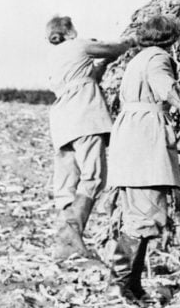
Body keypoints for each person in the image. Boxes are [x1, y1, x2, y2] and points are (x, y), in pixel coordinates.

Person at [106, 15, 180, 304]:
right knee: (144, 218)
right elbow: (164, 87)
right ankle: (121, 287)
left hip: (131, 133)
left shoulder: (137, 58)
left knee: (139, 216)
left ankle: (130, 286)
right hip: (145, 135)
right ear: (170, 38)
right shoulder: (159, 57)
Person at [46, 16, 136, 261]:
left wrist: (104, 64)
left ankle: (64, 242)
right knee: (94, 176)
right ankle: (72, 236)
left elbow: (87, 77)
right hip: (84, 115)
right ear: (70, 31)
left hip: (62, 120)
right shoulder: (78, 45)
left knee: (66, 182)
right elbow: (114, 48)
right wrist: (130, 41)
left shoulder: (53, 56)